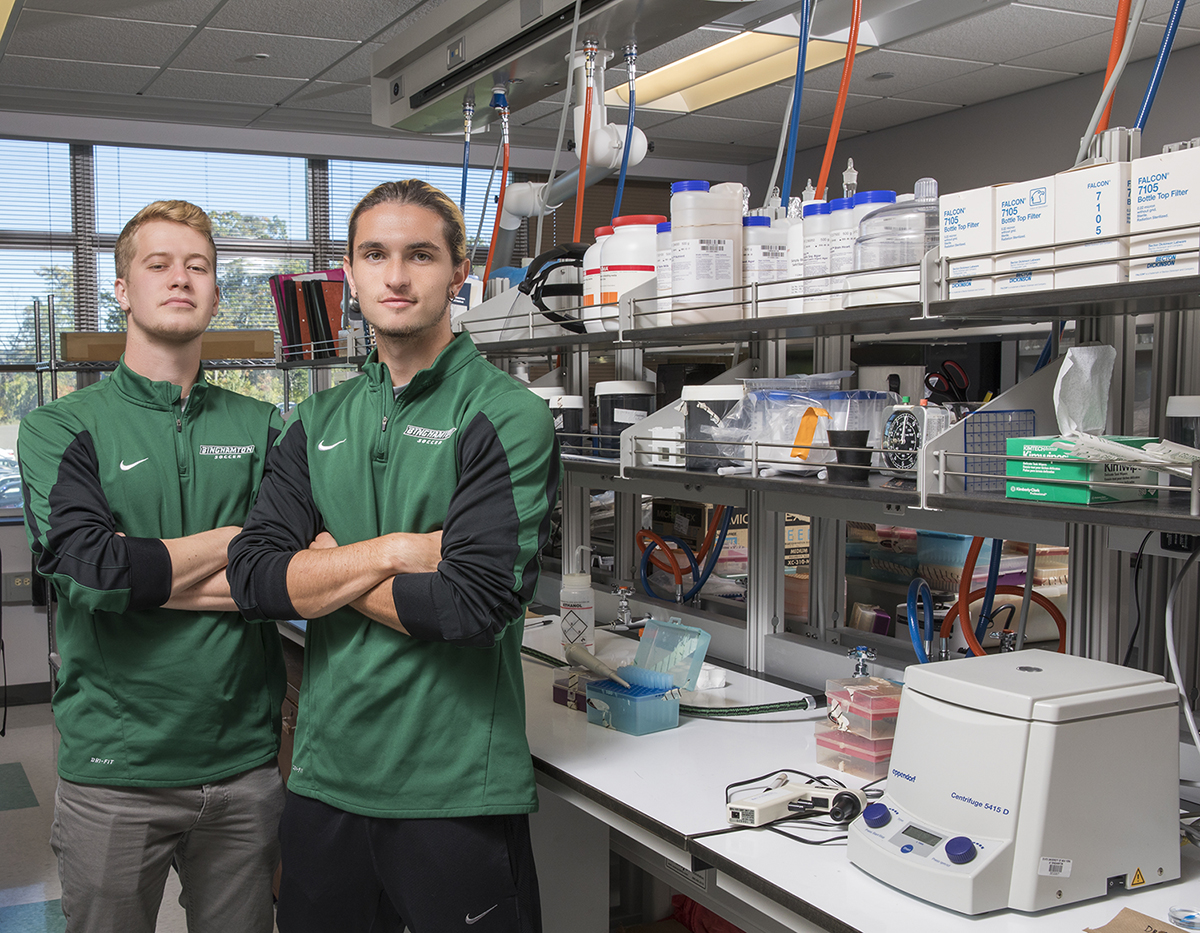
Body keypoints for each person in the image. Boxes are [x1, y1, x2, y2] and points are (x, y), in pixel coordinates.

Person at [227, 179, 560, 933]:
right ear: (350, 272)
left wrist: (327, 567)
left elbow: (468, 606)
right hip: (326, 782)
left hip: (454, 791)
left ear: (459, 268)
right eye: (375, 254)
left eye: (419, 254)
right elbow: (253, 576)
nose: (396, 276)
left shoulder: (506, 416)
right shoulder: (318, 419)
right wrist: (395, 553)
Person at [18, 200, 286, 933]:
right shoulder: (63, 426)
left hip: (243, 767)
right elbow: (93, 572)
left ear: (214, 288)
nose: (180, 278)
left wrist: (150, 578)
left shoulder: (262, 424)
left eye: (197, 266)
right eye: (158, 264)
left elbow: (291, 575)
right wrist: (241, 539)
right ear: (121, 288)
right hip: (115, 772)